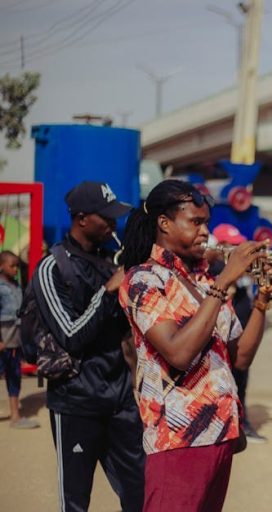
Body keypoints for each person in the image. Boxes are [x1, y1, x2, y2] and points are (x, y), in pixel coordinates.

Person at [118, 180, 272, 511]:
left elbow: (241, 356)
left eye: (206, 223)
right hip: (178, 438)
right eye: (196, 222)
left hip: (221, 434)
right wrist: (223, 282)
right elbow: (178, 353)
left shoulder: (203, 282)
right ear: (164, 223)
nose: (206, 232)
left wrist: (262, 299)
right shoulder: (144, 280)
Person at [30, 181, 144, 511]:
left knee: (141, 490)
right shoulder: (52, 267)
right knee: (76, 501)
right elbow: (70, 335)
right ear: (81, 219)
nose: (112, 224)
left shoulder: (111, 260)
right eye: (104, 217)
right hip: (76, 401)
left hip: (120, 397)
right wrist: (108, 293)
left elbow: (124, 330)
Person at [210, 223, 268, 444]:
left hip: (240, 335)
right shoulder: (214, 269)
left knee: (242, 379)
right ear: (222, 245)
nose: (238, 249)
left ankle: (241, 423)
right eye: (233, 245)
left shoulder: (243, 272)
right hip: (220, 339)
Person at [0, 250, 39, 429]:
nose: (15, 269)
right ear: (2, 267)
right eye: (12, 266)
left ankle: (15, 416)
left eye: (17, 265)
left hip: (15, 343)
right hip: (3, 340)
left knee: (14, 377)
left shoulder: (16, 286)